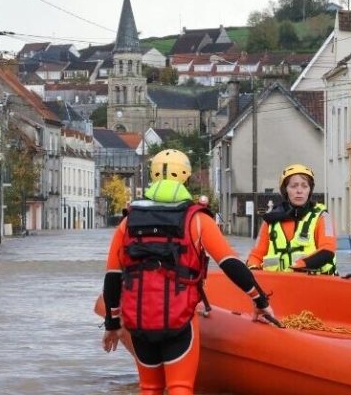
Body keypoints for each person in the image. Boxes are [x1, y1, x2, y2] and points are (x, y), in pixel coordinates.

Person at [101, 149, 277, 395]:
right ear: (185, 176)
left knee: (150, 388)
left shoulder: (128, 222)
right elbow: (230, 264)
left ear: (152, 176)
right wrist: (259, 300)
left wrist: (112, 322)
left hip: (139, 320)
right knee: (180, 387)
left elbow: (112, 277)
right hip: (180, 318)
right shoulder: (197, 220)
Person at [246, 164, 337, 275]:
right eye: (294, 186)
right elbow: (255, 256)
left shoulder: (322, 217)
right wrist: (253, 269)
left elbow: (328, 250)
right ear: (285, 190)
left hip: (316, 286)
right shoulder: (270, 220)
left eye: (305, 186)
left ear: (310, 190)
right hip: (277, 287)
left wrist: (300, 265)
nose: (299, 191)